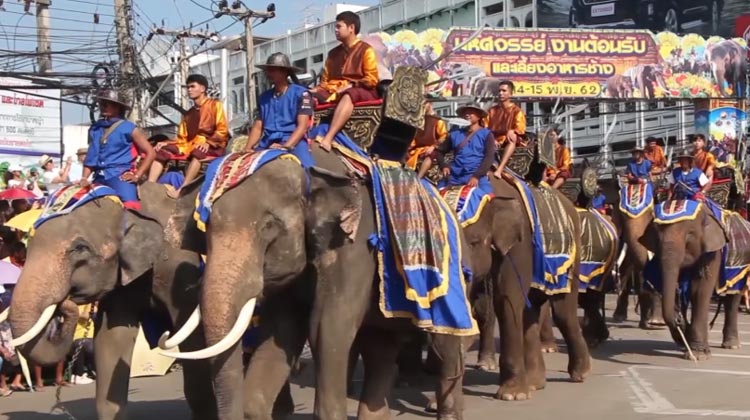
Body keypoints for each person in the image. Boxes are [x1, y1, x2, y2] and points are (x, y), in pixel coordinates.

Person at [147, 74, 228, 197]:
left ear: (203, 88)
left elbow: (222, 130)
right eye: (188, 87)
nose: (189, 90)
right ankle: (150, 185)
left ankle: (182, 190)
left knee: (198, 153)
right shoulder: (189, 114)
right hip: (190, 145)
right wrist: (167, 143)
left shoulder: (215, 105)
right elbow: (182, 138)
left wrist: (208, 142)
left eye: (192, 86)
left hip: (213, 145)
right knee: (162, 150)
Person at [311, 11, 380, 151]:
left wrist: (351, 85)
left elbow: (372, 79)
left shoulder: (366, 50)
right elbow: (325, 81)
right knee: (306, 96)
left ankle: (328, 138)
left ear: (351, 28)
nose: (335, 30)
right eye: (335, 27)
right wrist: (315, 90)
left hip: (362, 90)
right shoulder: (333, 54)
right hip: (334, 91)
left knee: (348, 94)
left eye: (339, 26)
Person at [80, 90, 156, 211]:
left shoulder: (129, 128)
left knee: (131, 207)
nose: (103, 106)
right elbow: (91, 157)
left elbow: (151, 153)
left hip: (120, 176)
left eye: (107, 103)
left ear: (118, 107)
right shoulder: (95, 128)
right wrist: (84, 178)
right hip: (99, 178)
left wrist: (137, 175)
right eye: (102, 103)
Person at [243, 53, 314, 167]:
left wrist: (286, 146)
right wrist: (247, 148)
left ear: (284, 72)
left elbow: (303, 126)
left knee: (307, 168)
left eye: (273, 70)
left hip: (293, 140)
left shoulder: (302, 93)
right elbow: (258, 126)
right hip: (267, 142)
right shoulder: (264, 97)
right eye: (268, 70)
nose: (268, 73)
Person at [422, 103, 496, 192]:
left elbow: (489, 157)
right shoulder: (455, 134)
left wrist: (477, 176)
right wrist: (444, 165)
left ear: (479, 115)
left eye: (471, 112)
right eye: (466, 112)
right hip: (454, 176)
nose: (467, 114)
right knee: (435, 198)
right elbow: (440, 151)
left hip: (476, 175)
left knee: (488, 198)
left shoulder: (486, 134)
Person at [487, 80, 526, 178]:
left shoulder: (517, 111)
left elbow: (520, 128)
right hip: (493, 139)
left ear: (510, 93)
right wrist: (491, 138)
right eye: (499, 91)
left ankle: (500, 169)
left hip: (508, 139)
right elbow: (485, 127)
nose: (501, 93)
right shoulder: (492, 111)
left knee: (512, 138)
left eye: (504, 91)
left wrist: (512, 130)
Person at [407, 102, 448, 171]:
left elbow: (444, 136)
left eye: (424, 104)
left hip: (432, 149)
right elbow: (415, 137)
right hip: (418, 149)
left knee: (430, 156)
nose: (422, 107)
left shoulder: (438, 121)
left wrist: (433, 146)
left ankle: (419, 177)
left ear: (430, 104)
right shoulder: (419, 120)